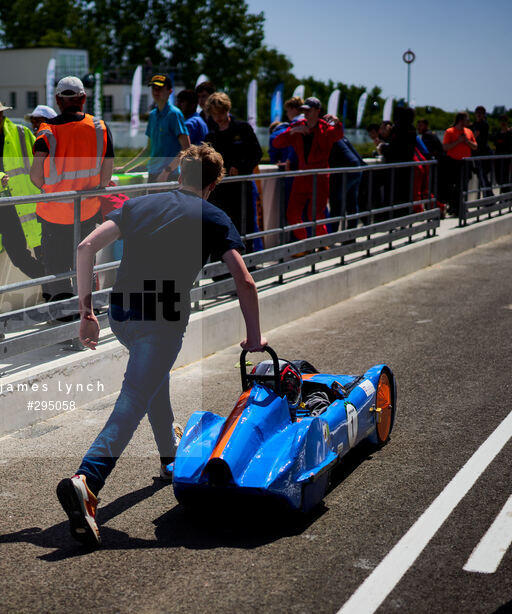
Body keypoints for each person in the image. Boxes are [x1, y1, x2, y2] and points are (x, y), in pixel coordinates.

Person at [55, 143, 266, 547]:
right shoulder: (214, 215)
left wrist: (86, 312)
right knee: (134, 396)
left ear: (179, 174)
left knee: (151, 379)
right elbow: (244, 280)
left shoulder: (142, 204)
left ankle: (170, 457)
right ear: (213, 183)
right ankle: (87, 478)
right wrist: (254, 336)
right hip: (162, 321)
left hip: (121, 314)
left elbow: (85, 249)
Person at [29, 76, 114, 306]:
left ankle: (63, 318)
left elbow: (36, 176)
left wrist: (51, 187)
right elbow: (106, 176)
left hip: (53, 214)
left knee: (56, 269)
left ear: (57, 100)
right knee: (85, 264)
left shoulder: (46, 131)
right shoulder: (100, 128)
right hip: (86, 212)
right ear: (83, 98)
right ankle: (88, 311)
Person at [0, 94, 45, 279]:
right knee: (19, 257)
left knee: (45, 255)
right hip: (2, 211)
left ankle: (56, 295)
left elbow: (45, 163)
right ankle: (57, 290)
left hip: (30, 206)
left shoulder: (21, 134)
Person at [271, 97, 343, 240]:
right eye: (304, 110)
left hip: (320, 176)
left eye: (309, 110)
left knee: (315, 214)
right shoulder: (298, 125)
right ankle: (304, 245)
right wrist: (292, 131)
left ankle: (323, 244)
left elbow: (338, 134)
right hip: (302, 174)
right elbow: (277, 143)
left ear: (318, 111)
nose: (306, 113)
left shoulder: (326, 128)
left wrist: (337, 122)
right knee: (292, 212)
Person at [203, 92, 263, 240]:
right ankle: (221, 262)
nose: (217, 117)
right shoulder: (210, 135)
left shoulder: (243, 128)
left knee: (244, 227)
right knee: (220, 228)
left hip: (241, 188)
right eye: (214, 113)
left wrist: (240, 167)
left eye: (220, 112)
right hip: (219, 190)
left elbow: (256, 153)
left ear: (227, 109)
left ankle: (249, 261)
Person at [120, 74, 190, 181]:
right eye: (154, 88)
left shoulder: (174, 114)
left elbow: (186, 148)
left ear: (170, 91)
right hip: (153, 174)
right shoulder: (152, 115)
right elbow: (148, 150)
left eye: (160, 88)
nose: (156, 91)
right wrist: (125, 168)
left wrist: (167, 171)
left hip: (169, 177)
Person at [442, 112, 478, 215]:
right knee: (454, 187)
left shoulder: (469, 132)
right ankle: (454, 207)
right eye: (467, 120)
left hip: (465, 162)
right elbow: (445, 147)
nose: (468, 122)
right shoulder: (450, 131)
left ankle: (461, 207)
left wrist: (466, 141)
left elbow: (475, 146)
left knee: (463, 186)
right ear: (461, 120)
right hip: (453, 162)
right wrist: (458, 141)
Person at [471, 106, 494, 197]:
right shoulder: (474, 124)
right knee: (480, 176)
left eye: (481, 113)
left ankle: (488, 196)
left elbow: (474, 136)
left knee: (483, 176)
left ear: (484, 114)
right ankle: (487, 196)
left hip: (483, 153)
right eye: (477, 112)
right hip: (476, 153)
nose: (479, 114)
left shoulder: (484, 124)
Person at [493, 115, 512, 194]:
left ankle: (506, 197)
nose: (503, 123)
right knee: (498, 179)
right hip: (498, 161)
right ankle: (504, 196)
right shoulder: (497, 134)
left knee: (506, 179)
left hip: (508, 160)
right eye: (501, 121)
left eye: (504, 121)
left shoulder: (510, 133)